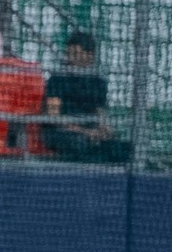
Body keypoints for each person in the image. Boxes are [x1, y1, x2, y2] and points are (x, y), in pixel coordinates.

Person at [42, 28, 128, 162]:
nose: (70, 58)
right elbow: (53, 117)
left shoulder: (98, 81)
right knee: (79, 143)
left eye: (76, 54)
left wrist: (104, 129)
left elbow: (100, 112)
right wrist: (84, 131)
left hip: (90, 132)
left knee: (121, 149)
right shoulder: (57, 79)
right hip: (62, 133)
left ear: (90, 56)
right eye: (68, 53)